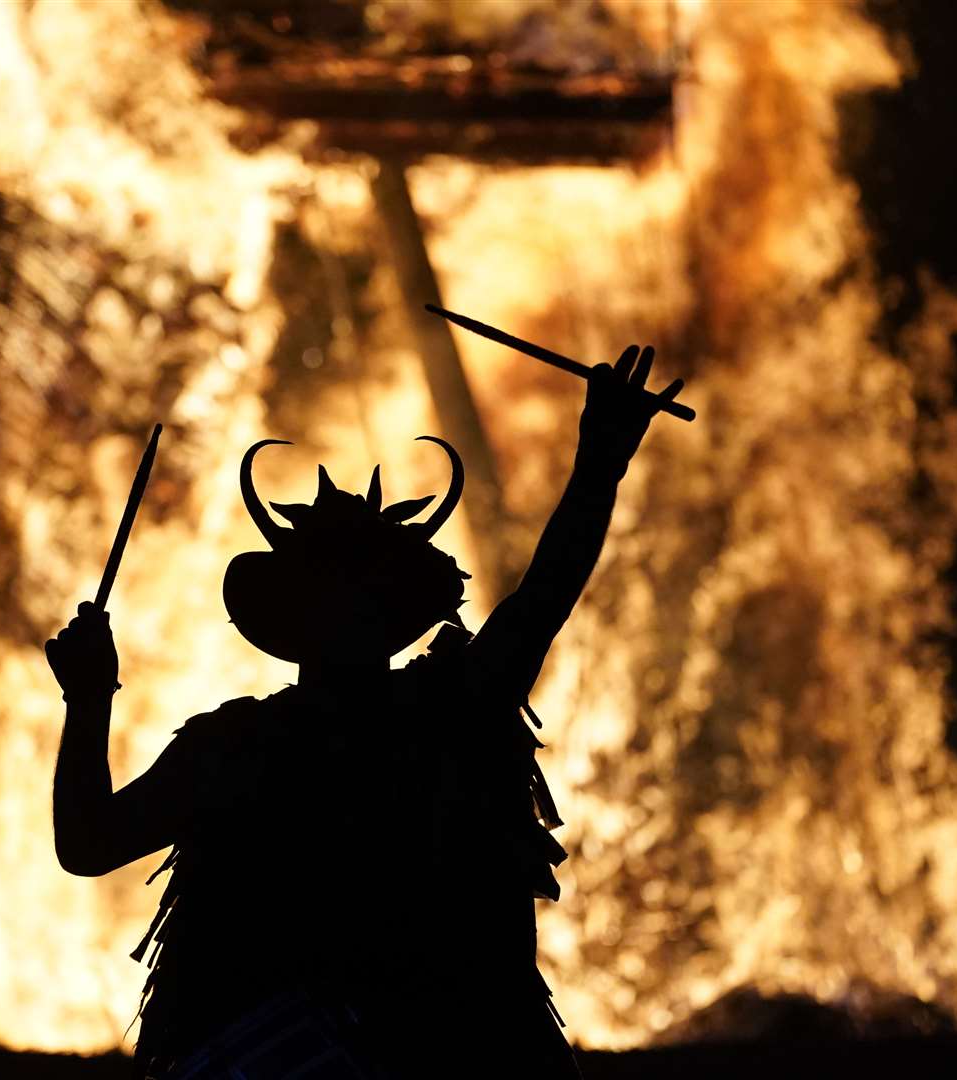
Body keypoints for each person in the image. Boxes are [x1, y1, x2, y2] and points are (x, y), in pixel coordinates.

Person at [48, 345, 684, 1078]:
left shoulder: (244, 743)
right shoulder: (451, 707)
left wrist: (88, 698)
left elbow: (89, 842)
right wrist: (597, 466)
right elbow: (540, 602)